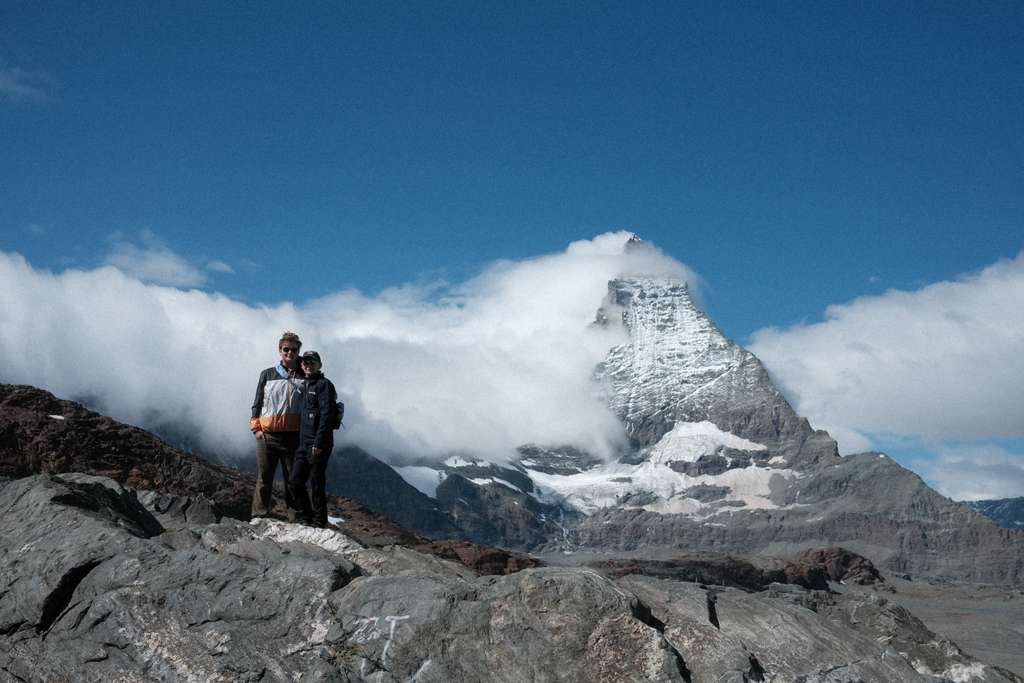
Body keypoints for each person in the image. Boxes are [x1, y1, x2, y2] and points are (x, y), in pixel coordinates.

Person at [250, 332, 306, 521]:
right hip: (268, 437)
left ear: (299, 351)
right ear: (280, 351)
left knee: (293, 481)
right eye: (286, 349)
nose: (289, 352)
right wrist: (256, 429)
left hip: (294, 437)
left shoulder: (306, 376)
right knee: (264, 478)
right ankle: (259, 516)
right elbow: (257, 403)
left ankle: (295, 519)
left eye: (294, 349)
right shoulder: (267, 374)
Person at [290, 350, 337, 528]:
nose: (308, 365)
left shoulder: (324, 385)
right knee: (295, 481)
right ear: (302, 365)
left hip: (319, 443)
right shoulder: (305, 384)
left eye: (312, 362)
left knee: (317, 484)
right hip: (304, 443)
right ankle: (307, 518)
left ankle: (319, 522)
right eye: (305, 362)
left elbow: (326, 414)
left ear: (319, 365)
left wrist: (319, 442)